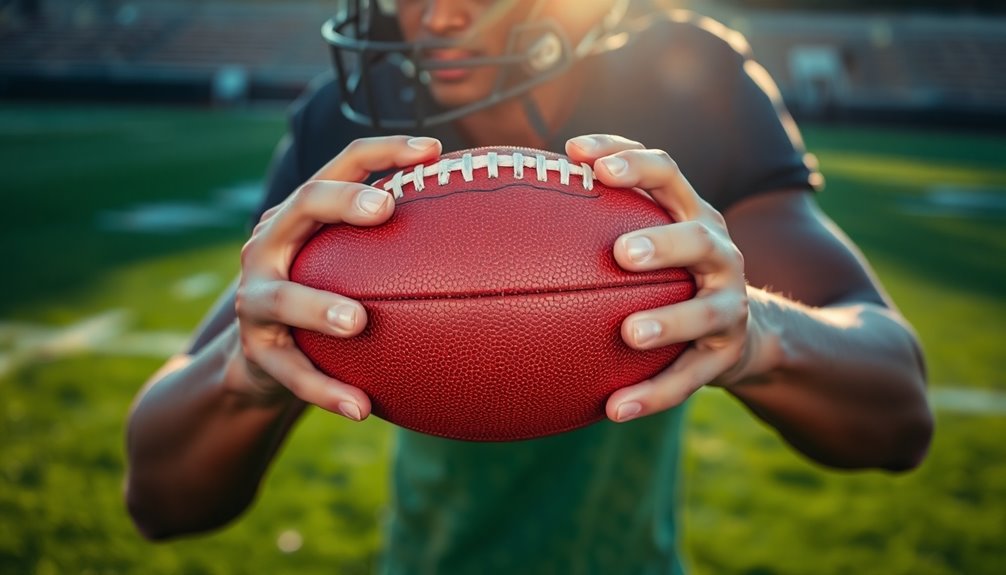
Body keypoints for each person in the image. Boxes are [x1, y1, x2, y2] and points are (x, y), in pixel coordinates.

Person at [124, 1, 933, 573]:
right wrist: (244, 370)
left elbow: (899, 414)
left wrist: (757, 334)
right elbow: (160, 500)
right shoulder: (350, 131)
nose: (436, 16)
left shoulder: (683, 84)